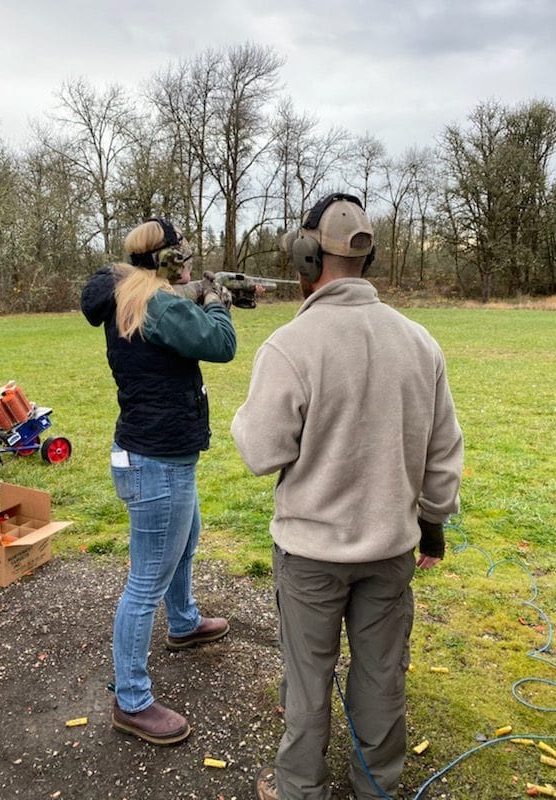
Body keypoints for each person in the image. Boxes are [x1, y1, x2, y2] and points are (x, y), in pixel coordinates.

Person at [231, 194, 463, 800]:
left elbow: (260, 452)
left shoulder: (291, 345)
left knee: (308, 682)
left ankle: (298, 788)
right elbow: (443, 455)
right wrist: (432, 526)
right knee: (382, 677)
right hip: (391, 552)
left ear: (306, 257)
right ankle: (376, 786)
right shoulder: (420, 344)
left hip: (310, 559)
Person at [81, 217, 236, 746]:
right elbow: (220, 344)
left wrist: (200, 292)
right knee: (145, 583)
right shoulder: (157, 304)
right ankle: (131, 700)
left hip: (151, 450)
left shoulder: (132, 294)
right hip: (158, 458)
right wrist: (217, 301)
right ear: (167, 260)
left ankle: (185, 622)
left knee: (185, 542)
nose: (190, 261)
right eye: (183, 255)